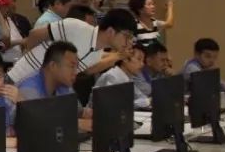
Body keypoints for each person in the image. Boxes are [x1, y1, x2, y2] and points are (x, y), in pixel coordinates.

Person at [9, 8, 138, 85]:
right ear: (110, 31)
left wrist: (118, 56)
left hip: (41, 90)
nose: (128, 42)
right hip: (18, 77)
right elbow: (34, 35)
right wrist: (27, 58)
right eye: (127, 36)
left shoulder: (97, 53)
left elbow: (87, 71)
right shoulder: (77, 27)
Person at [16, 42, 92, 131]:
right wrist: (76, 123)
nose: (75, 72)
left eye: (76, 67)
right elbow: (37, 123)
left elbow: (79, 112)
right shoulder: (29, 88)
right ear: (53, 66)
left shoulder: (64, 85)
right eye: (72, 66)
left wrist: (91, 114)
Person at [90, 44, 150, 109]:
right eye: (139, 59)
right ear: (125, 59)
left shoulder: (128, 78)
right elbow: (117, 106)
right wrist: (147, 101)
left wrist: (148, 101)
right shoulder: (112, 76)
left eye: (143, 60)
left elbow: (141, 96)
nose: (142, 64)